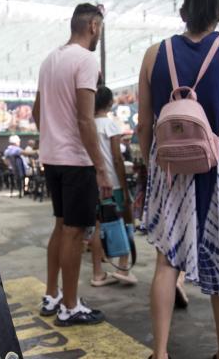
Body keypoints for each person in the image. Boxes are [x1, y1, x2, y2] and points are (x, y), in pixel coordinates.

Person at [136, 0, 219, 358]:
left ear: (183, 14)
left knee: (165, 262)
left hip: (170, 168)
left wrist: (152, 168)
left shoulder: (153, 54)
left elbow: (144, 124)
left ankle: (159, 353)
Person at [32, 3, 112, 326]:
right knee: (75, 233)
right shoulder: (86, 60)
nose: (100, 35)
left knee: (61, 225)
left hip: (52, 158)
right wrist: (101, 167)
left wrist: (52, 137)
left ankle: (52, 295)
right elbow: (85, 120)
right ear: (93, 26)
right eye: (100, 29)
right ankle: (69, 305)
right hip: (76, 161)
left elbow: (37, 112)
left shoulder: (50, 59)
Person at [89, 86, 137, 287]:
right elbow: (117, 159)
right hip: (113, 183)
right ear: (110, 104)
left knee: (98, 227)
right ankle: (122, 267)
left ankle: (98, 274)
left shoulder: (88, 125)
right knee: (125, 219)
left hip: (93, 183)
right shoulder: (111, 126)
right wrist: (125, 189)